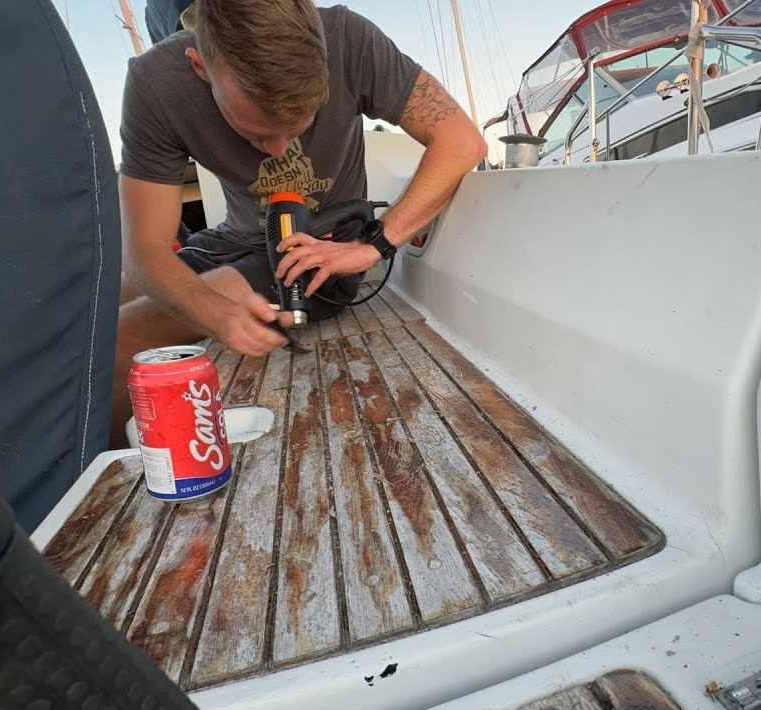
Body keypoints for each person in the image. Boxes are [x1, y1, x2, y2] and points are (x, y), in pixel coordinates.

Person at [111, 0, 486, 447]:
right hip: (230, 239)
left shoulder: (349, 39)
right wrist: (212, 312)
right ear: (200, 67)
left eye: (297, 127)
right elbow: (144, 249)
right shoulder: (156, 83)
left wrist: (373, 244)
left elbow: (461, 142)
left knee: (114, 342)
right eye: (256, 132)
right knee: (98, 309)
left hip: (316, 257)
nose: (277, 150)